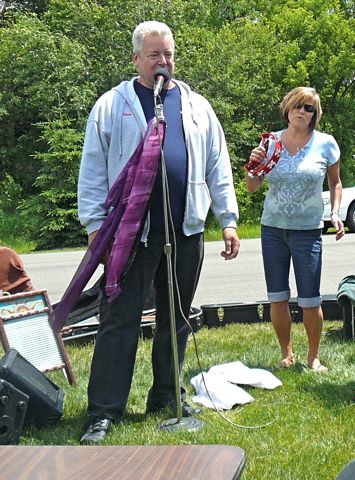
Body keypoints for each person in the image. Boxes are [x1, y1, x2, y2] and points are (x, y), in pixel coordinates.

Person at [77, 21, 240, 444]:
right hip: (130, 234)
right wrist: (96, 227)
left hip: (184, 229)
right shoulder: (112, 105)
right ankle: (104, 411)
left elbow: (217, 165)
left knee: (177, 317)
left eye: (168, 54)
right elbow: (93, 168)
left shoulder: (196, 105)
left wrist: (229, 220)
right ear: (136, 60)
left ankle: (167, 395)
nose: (163, 62)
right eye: (154, 55)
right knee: (119, 320)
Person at [245, 87, 344, 372]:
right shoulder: (270, 142)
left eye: (309, 108)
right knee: (277, 296)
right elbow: (252, 187)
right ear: (287, 109)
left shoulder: (326, 144)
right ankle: (286, 354)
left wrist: (335, 214)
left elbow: (335, 183)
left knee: (310, 299)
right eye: (298, 106)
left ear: (316, 114)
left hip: (308, 230)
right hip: (273, 229)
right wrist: (254, 167)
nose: (302, 112)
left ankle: (313, 356)